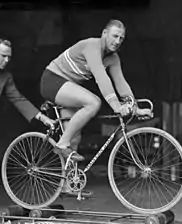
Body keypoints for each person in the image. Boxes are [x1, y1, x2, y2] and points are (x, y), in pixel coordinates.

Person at [40, 19, 152, 196]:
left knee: (74, 135)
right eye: (115, 36)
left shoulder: (113, 58)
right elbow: (101, 77)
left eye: (121, 38)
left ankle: (66, 186)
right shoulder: (92, 46)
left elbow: (120, 83)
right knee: (93, 102)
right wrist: (116, 105)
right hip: (52, 80)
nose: (117, 41)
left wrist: (135, 108)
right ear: (104, 33)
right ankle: (61, 143)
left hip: (68, 86)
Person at [0, 38, 54, 130]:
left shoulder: (6, 77)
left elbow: (18, 99)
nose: (6, 60)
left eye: (9, 57)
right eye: (3, 56)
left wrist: (42, 118)